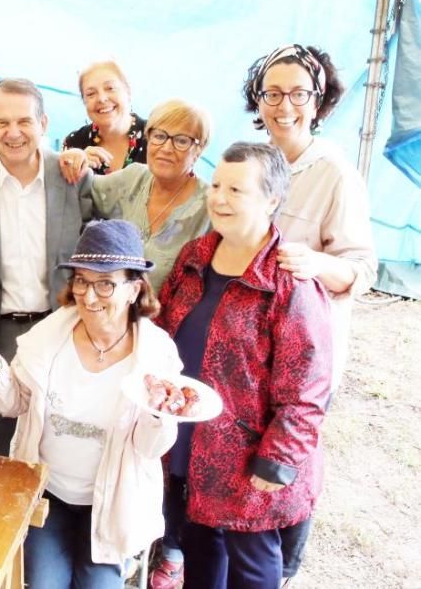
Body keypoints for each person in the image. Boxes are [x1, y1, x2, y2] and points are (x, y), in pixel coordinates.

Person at [155, 142, 332, 589]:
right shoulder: (196, 255)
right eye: (216, 185)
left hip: (249, 454)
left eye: (236, 189)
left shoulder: (288, 280)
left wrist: (279, 459)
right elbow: (162, 329)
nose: (219, 198)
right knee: (198, 546)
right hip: (188, 439)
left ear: (271, 200)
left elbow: (308, 388)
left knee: (251, 561)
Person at [0, 219, 179, 588]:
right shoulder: (49, 336)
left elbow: (152, 447)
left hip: (112, 505)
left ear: (134, 290)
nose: (88, 296)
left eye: (105, 283)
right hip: (47, 495)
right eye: (81, 280)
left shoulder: (157, 355)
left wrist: (155, 411)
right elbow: (14, 402)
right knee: (40, 584)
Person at [242, 43, 377, 585]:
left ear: (319, 101)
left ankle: (283, 567)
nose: (284, 105)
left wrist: (315, 262)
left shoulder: (336, 173)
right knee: (248, 465)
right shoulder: (255, 163)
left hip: (306, 354)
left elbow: (361, 271)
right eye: (272, 93)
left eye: (298, 93)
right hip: (251, 352)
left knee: (289, 465)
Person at [0, 78, 93, 454]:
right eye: (2, 122)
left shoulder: (72, 176)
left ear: (43, 124)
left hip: (60, 328)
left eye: (24, 121)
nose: (13, 133)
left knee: (58, 441)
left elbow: (98, 244)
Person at [64, 99, 212, 295]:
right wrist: (76, 158)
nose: (166, 148)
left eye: (182, 140)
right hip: (112, 313)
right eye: (159, 136)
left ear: (199, 149)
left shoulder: (211, 206)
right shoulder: (133, 178)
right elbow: (76, 189)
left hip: (168, 323)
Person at [62, 60, 147, 174]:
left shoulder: (155, 138)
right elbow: (61, 189)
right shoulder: (74, 143)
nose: (102, 98)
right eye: (91, 94)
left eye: (110, 88)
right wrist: (79, 167)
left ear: (128, 92)